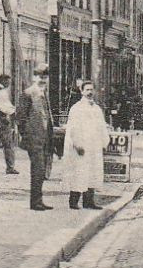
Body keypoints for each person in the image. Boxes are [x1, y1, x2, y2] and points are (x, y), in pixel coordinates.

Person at [61, 79, 109, 209]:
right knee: (79, 172)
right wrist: (77, 144)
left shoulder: (97, 109)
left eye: (91, 89)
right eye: (87, 90)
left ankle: (89, 202)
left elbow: (101, 127)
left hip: (94, 146)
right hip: (82, 146)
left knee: (92, 173)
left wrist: (104, 143)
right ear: (82, 91)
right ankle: (73, 201)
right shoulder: (77, 108)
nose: (89, 92)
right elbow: (73, 128)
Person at [14, 71, 54, 211]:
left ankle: (38, 200)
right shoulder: (29, 93)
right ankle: (35, 202)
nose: (43, 80)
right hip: (35, 138)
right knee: (38, 169)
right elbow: (20, 117)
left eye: (45, 77)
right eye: (40, 77)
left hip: (44, 138)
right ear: (34, 77)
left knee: (41, 170)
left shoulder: (44, 93)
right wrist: (26, 135)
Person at [0, 74, 20, 175]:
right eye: (7, 81)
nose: (9, 84)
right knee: (8, 144)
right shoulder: (2, 91)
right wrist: (14, 111)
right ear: (3, 81)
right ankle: (10, 167)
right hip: (2, 120)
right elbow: (4, 107)